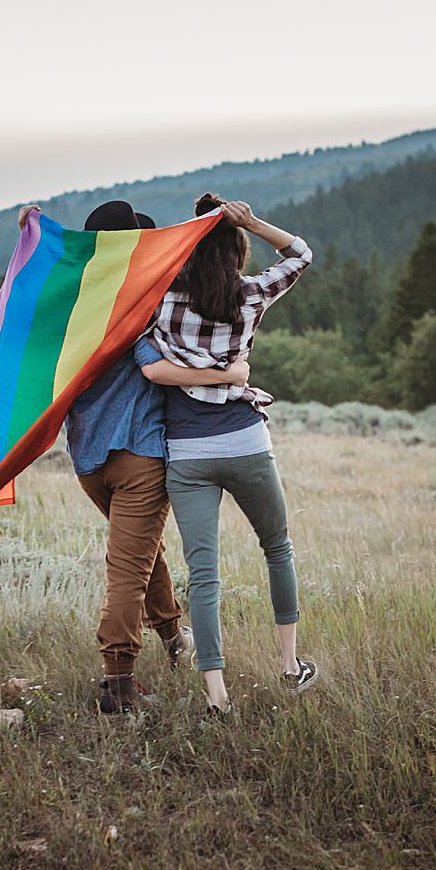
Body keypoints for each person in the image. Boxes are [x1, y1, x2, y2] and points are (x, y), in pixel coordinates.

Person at [16, 200, 251, 714]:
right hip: (140, 457)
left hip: (89, 463)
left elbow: (28, 298)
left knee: (142, 554)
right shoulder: (142, 306)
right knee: (128, 567)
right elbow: (158, 363)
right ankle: (118, 682)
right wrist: (228, 375)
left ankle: (172, 639)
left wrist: (33, 237)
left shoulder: (73, 313)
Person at [139, 193, 318, 714]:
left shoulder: (161, 299)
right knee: (277, 548)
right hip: (245, 441)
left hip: (187, 451)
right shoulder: (253, 295)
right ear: (237, 254)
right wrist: (251, 220)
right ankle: (289, 667)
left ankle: (217, 694)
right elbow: (301, 254)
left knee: (204, 573)